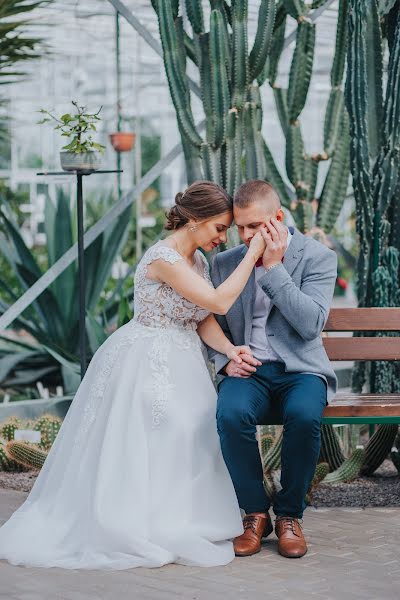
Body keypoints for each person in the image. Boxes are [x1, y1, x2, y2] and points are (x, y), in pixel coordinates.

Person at [0, 180, 267, 570]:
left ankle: (180, 517)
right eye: (219, 228)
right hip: (146, 358)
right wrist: (254, 251)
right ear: (193, 220)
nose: (223, 237)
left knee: (190, 435)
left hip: (185, 359)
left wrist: (228, 350)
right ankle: (136, 523)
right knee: (151, 435)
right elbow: (219, 301)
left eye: (227, 229)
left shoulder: (198, 261)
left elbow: (202, 316)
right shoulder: (164, 259)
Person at [208, 180, 338, 559]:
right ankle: (253, 513)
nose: (246, 236)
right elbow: (211, 325)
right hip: (250, 371)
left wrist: (274, 267)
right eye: (241, 228)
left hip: (301, 370)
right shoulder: (225, 262)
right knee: (230, 414)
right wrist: (226, 358)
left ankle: (289, 516)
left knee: (303, 414)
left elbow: (311, 323)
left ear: (277, 219)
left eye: (254, 226)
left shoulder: (317, 257)